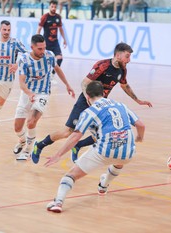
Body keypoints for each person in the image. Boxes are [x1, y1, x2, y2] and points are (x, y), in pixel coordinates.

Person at [31, 42, 152, 164]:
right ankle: (40, 145)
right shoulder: (103, 65)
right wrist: (89, 99)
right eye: (127, 56)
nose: (129, 60)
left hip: (101, 104)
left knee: (103, 132)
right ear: (118, 55)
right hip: (86, 100)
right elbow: (84, 83)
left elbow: (124, 85)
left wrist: (138, 100)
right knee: (68, 132)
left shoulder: (122, 69)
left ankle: (78, 146)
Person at [44, 81, 145, 213]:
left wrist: (57, 155)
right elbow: (141, 125)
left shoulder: (89, 112)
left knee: (70, 175)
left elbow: (75, 137)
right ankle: (103, 186)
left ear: (87, 96)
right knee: (119, 161)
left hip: (104, 150)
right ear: (103, 93)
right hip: (128, 152)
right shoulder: (121, 105)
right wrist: (139, 138)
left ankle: (58, 202)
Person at [13, 34, 75, 160]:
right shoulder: (24, 59)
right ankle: (23, 140)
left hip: (43, 93)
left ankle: (28, 150)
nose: (43, 51)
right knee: (17, 127)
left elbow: (57, 69)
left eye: (44, 48)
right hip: (27, 93)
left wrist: (67, 84)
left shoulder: (49, 55)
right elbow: (21, 83)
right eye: (40, 49)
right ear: (32, 47)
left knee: (31, 122)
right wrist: (29, 94)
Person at [36, 0, 67, 81]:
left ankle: (51, 75)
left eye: (55, 7)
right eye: (52, 7)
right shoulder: (45, 17)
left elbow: (61, 29)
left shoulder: (58, 17)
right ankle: (40, 75)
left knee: (60, 59)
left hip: (55, 42)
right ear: (49, 7)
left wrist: (64, 39)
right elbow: (39, 29)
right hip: (46, 42)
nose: (53, 8)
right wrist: (37, 40)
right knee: (43, 60)